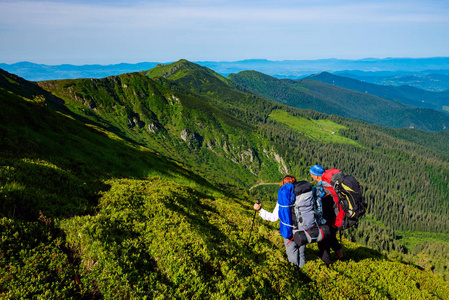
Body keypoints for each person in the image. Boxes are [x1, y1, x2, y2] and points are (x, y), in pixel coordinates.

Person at [253, 175, 306, 268]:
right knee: (301, 254)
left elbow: (274, 217)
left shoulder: (283, 199)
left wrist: (260, 210)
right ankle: (304, 270)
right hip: (303, 230)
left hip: (289, 231)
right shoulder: (302, 197)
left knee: (292, 253)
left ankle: (295, 274)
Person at [309, 165, 344, 260]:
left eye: (312, 175)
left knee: (323, 242)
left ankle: (326, 263)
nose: (311, 176)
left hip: (328, 219)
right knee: (332, 238)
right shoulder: (332, 185)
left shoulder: (321, 189)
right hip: (337, 216)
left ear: (316, 176)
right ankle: (342, 258)